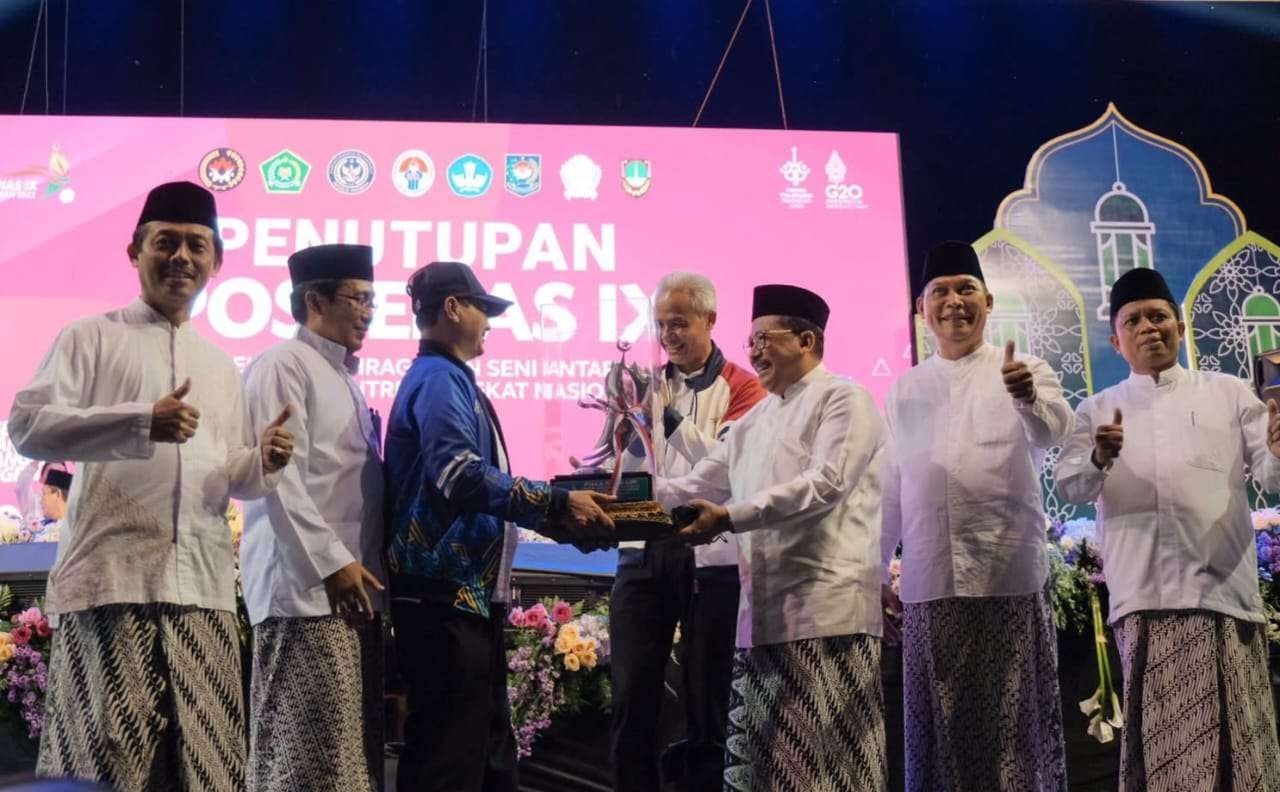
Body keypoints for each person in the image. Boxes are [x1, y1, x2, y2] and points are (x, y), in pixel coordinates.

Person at [7, 181, 294, 791]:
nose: (182, 257)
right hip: (113, 584)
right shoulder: (90, 337)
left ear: (218, 262)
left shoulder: (219, 365)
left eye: (197, 245)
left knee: (209, 767)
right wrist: (142, 420)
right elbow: (27, 427)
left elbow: (230, 479)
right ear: (134, 250)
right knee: (104, 764)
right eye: (166, 242)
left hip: (202, 592)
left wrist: (263, 460)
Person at [384, 261, 616, 792]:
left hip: (461, 597)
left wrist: (561, 521)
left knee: (485, 757)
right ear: (452, 308)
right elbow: (460, 476)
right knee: (450, 757)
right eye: (482, 308)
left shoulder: (446, 378)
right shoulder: (439, 379)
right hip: (443, 597)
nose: (489, 322)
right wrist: (556, 505)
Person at [1056, 266, 1280, 790]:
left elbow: (1271, 478)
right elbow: (1071, 487)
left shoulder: (1227, 393)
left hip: (1222, 597)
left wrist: (1275, 444)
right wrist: (1096, 456)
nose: (1148, 328)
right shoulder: (1095, 409)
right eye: (1133, 320)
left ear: (1181, 328)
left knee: (1239, 757)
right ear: (1116, 339)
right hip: (1145, 603)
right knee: (1165, 759)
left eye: (1159, 316)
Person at [660, 284, 888, 791]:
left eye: (764, 338)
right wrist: (614, 504)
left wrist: (729, 517)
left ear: (806, 340)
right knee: (765, 774)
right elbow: (692, 485)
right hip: (761, 621)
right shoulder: (751, 423)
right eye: (750, 342)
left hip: (828, 617)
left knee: (832, 772)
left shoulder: (845, 399)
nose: (753, 351)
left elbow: (826, 484)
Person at [881, 241, 1070, 791]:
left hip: (1006, 579)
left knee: (1015, 733)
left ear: (988, 301)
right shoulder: (905, 390)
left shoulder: (1026, 368)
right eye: (939, 291)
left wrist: (1027, 396)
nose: (953, 301)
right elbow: (890, 488)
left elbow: (1054, 430)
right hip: (930, 583)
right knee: (938, 734)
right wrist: (875, 572)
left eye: (966, 289)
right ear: (922, 310)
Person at [609, 271, 766, 792]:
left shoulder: (744, 386)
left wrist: (668, 416)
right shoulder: (646, 385)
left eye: (679, 323)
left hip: (712, 557)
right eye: (660, 326)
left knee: (707, 702)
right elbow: (630, 468)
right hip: (644, 549)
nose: (668, 336)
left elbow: (728, 468)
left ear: (710, 320)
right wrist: (622, 425)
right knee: (632, 695)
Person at [240, 244, 386, 791]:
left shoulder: (344, 376)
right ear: (314, 299)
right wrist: (331, 564)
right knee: (299, 758)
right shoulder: (282, 365)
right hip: (302, 592)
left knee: (337, 761)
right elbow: (279, 479)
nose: (368, 311)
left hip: (345, 592)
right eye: (358, 298)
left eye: (373, 299)